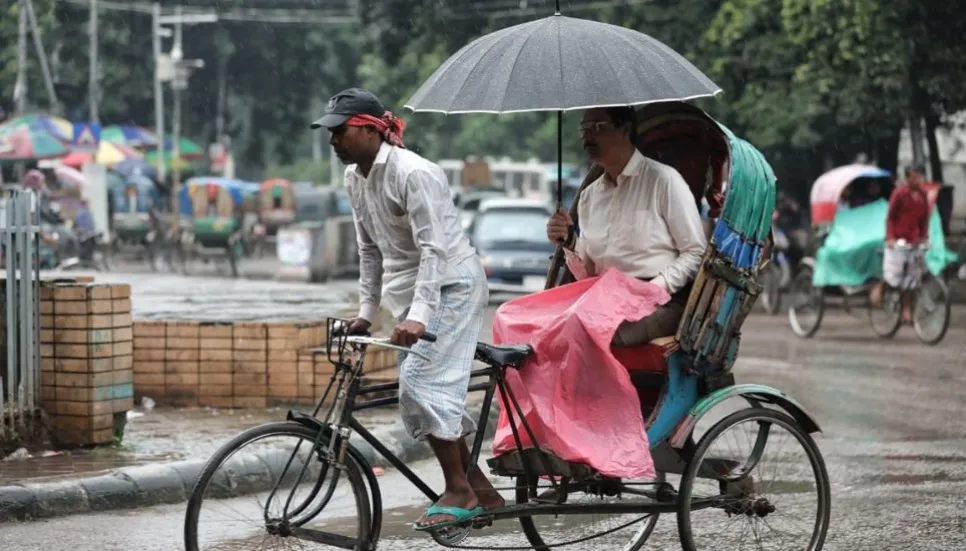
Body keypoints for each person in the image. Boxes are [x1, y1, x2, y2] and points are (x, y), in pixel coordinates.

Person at [310, 88, 503, 531]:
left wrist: (418, 315)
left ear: (371, 129)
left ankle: (458, 489)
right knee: (423, 394)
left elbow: (434, 251)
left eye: (340, 131)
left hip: (451, 285)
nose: (334, 140)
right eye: (331, 133)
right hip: (410, 296)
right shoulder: (353, 179)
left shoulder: (416, 173)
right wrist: (365, 311)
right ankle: (479, 488)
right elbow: (368, 251)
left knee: (419, 382)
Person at [546, 106, 708, 346]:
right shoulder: (590, 196)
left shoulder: (664, 181)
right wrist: (570, 240)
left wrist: (652, 290)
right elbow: (589, 274)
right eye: (584, 129)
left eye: (598, 127)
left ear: (625, 129)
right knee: (532, 323)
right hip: (604, 298)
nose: (587, 136)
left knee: (590, 335)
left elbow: (696, 252)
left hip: (661, 301)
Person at [870, 165, 931, 322]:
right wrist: (890, 237)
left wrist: (924, 237)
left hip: (914, 239)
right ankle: (881, 288)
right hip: (898, 239)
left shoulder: (924, 196)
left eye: (919, 177)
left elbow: (924, 219)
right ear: (907, 179)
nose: (917, 180)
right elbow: (890, 217)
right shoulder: (899, 194)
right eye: (914, 177)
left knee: (911, 277)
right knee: (894, 274)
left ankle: (906, 309)